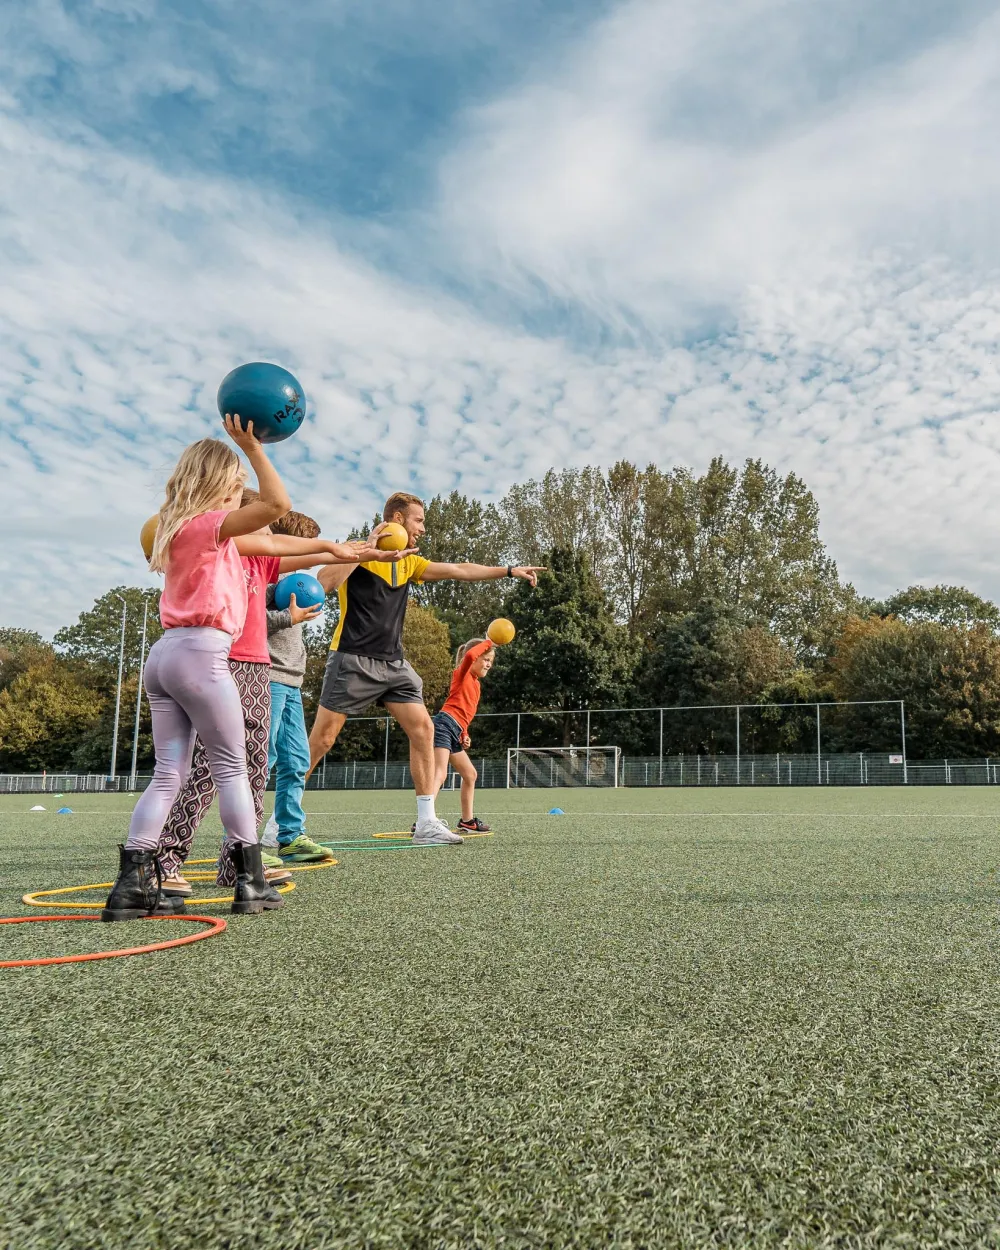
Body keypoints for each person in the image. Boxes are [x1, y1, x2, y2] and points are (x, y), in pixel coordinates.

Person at [153, 494, 392, 897]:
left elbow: (310, 556)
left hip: (262, 671)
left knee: (259, 768)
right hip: (231, 666)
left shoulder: (265, 566)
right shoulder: (227, 559)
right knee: (214, 769)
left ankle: (240, 862)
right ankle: (166, 858)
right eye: (262, 525)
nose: (267, 531)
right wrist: (287, 616)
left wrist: (363, 550)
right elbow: (238, 612)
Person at [306, 491, 543, 846]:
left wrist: (508, 570)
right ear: (397, 519)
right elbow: (322, 584)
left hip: (395, 663)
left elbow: (460, 570)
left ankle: (426, 820)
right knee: (322, 740)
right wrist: (364, 552)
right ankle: (281, 819)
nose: (423, 529)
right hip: (352, 658)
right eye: (419, 521)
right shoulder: (357, 549)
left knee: (423, 731)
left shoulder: (410, 563)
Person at [260, 508, 327, 861]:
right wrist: (288, 615)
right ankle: (241, 843)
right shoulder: (267, 583)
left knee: (297, 760)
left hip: (291, 683)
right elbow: (248, 620)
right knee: (262, 759)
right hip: (266, 679)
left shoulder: (296, 584)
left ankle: (290, 836)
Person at [430, 638, 496, 833]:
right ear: (474, 657)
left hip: (455, 729)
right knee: (440, 774)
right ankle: (425, 819)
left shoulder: (476, 686)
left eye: (491, 660)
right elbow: (468, 655)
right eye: (485, 658)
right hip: (444, 725)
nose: (489, 663)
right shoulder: (462, 673)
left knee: (470, 774)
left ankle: (467, 821)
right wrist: (490, 641)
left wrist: (464, 734)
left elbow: (464, 713)